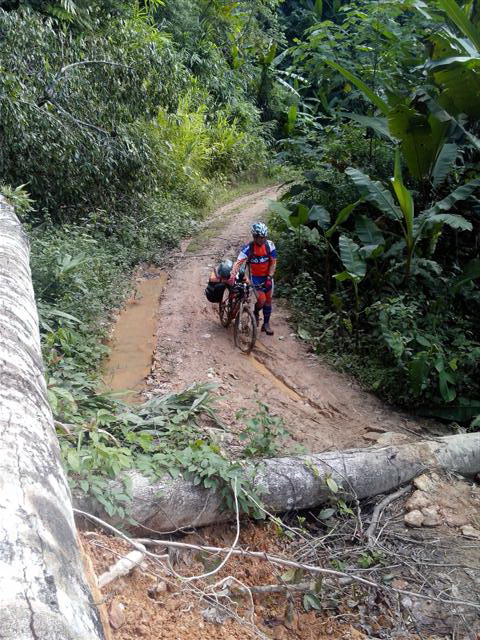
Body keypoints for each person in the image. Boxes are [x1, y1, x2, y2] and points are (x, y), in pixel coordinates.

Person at [230, 222, 277, 335]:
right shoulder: (249, 248)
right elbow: (239, 261)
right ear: (254, 237)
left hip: (267, 277)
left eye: (264, 237)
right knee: (262, 300)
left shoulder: (270, 245)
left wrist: (269, 277)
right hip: (255, 278)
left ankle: (266, 324)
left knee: (268, 301)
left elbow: (273, 263)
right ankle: (256, 312)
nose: (263, 240)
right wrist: (234, 273)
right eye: (260, 238)